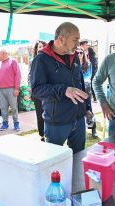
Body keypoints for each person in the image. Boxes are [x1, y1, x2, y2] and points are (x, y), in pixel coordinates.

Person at [31, 22, 92, 154]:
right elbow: (37, 90)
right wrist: (64, 90)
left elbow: (80, 82)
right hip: (56, 122)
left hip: (79, 118)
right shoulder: (41, 59)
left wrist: (87, 108)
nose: (78, 44)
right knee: (52, 161)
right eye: (75, 40)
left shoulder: (74, 55)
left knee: (79, 159)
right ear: (61, 39)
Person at [0, 48, 22, 132]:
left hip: (11, 89)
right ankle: (5, 123)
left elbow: (18, 75)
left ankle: (16, 123)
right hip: (0, 89)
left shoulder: (13, 61)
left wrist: (17, 88)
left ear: (4, 53)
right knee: (3, 107)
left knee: (14, 107)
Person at [76, 46, 98, 138]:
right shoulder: (72, 64)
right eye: (77, 53)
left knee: (89, 110)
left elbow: (88, 77)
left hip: (86, 89)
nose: (79, 54)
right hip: (77, 90)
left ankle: (93, 130)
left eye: (81, 52)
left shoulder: (88, 64)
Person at [28, 40, 46, 141]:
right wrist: (31, 90)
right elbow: (30, 77)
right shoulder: (32, 61)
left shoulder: (49, 60)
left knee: (48, 113)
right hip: (37, 93)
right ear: (36, 49)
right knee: (40, 114)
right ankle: (42, 134)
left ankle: (49, 132)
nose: (41, 48)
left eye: (43, 46)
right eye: (39, 47)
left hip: (47, 92)